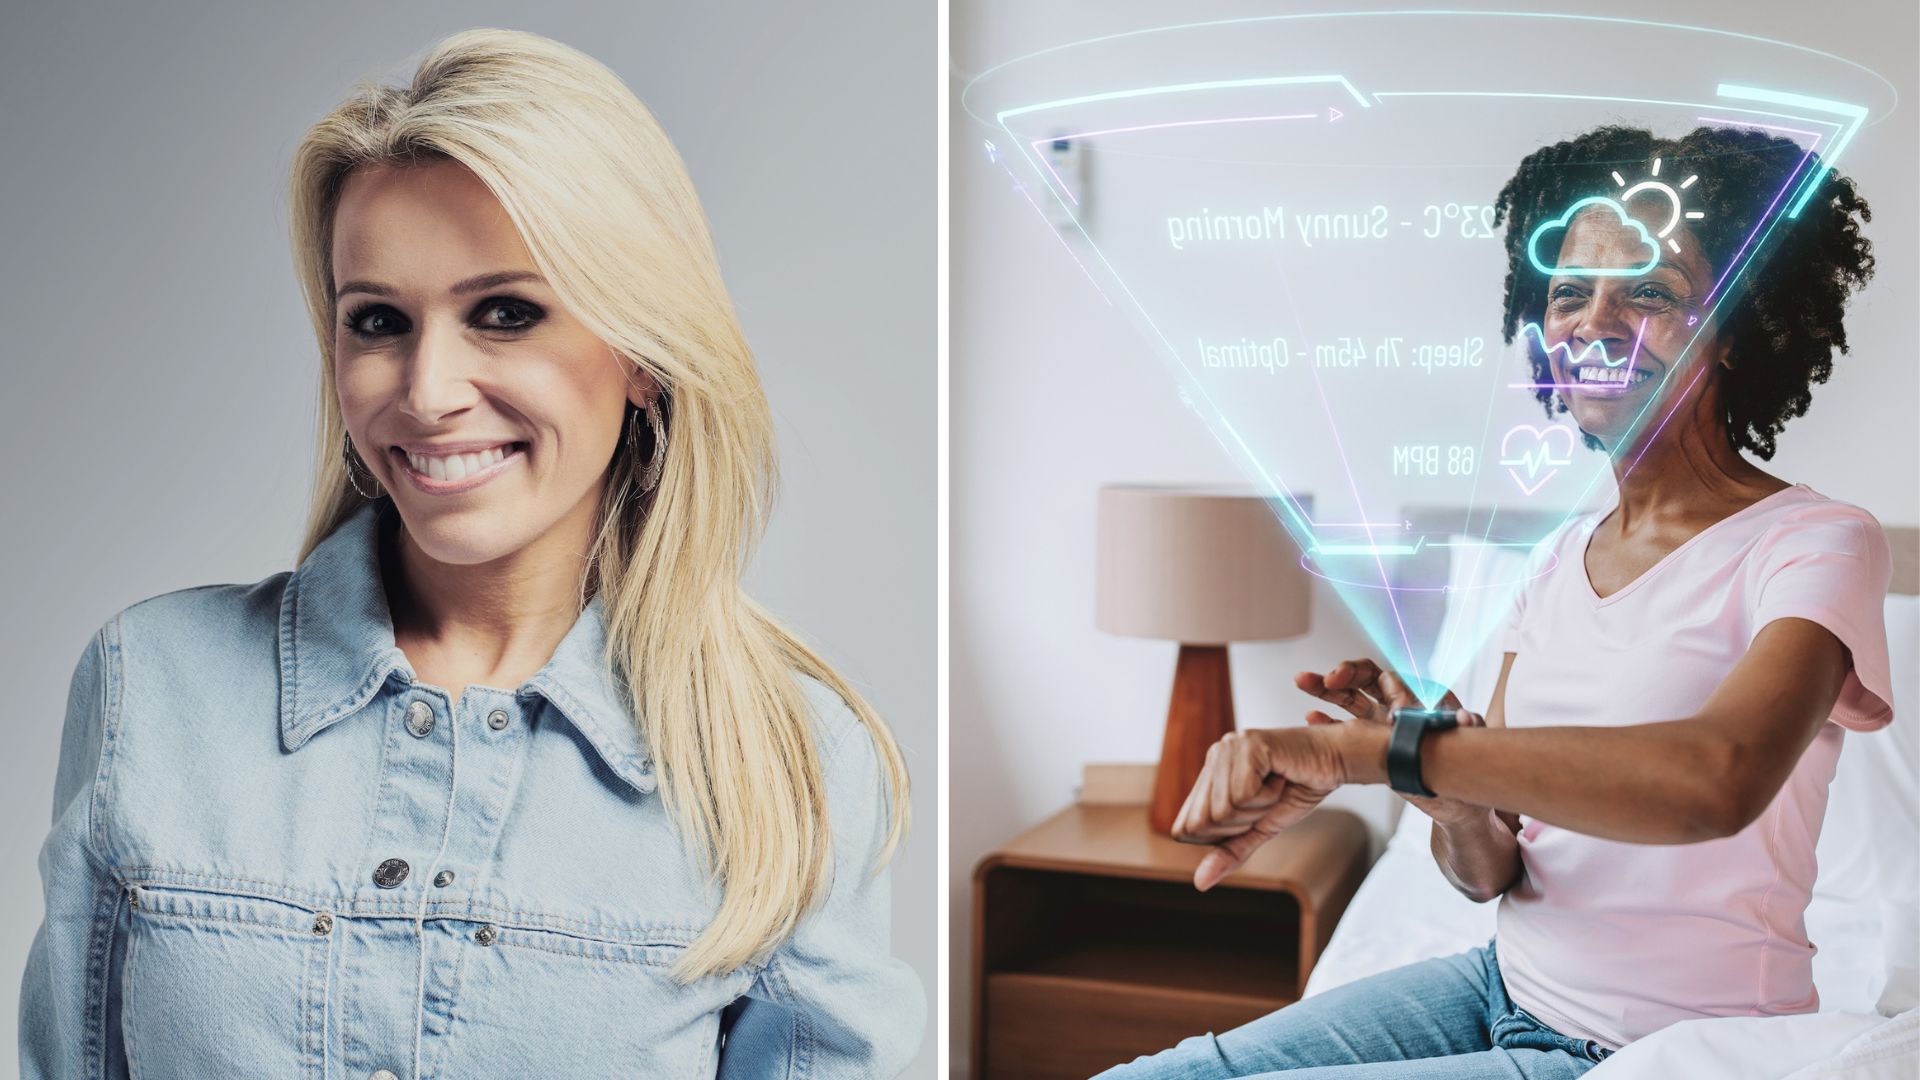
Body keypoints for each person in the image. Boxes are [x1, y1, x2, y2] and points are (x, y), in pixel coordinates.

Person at [19, 28, 925, 1079]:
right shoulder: (150, 684)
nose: (428, 390)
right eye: (378, 321)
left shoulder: (792, 762)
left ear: (641, 354)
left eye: (504, 313)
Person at [1095, 124, 1891, 1079]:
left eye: (1648, 291)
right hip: (1497, 989)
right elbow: (1494, 872)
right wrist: (1448, 797)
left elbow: (1718, 778)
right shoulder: (1556, 562)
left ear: (1735, 327)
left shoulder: (1813, 541)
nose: (1594, 321)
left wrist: (1373, 752)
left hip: (1658, 1049)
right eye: (1567, 291)